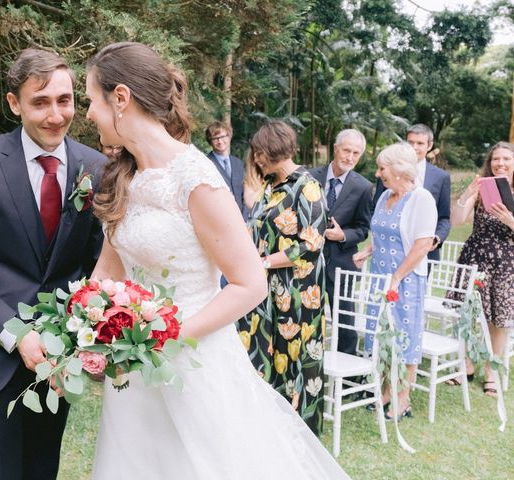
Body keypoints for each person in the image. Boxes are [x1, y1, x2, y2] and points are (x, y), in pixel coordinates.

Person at [84, 42, 349, 479]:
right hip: (132, 373)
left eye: (92, 99)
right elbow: (107, 272)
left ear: (121, 98)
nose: (89, 112)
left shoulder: (195, 177)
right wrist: (79, 331)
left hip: (192, 362)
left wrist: (166, 337)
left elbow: (250, 284)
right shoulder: (123, 175)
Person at [0, 48, 107, 480]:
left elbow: (97, 264)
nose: (54, 115)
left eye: (63, 100)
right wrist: (16, 334)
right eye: (40, 102)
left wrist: (84, 335)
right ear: (14, 103)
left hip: (59, 362)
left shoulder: (97, 167)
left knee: (43, 470)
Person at [235, 121, 328, 436]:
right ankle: (267, 430)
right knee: (263, 354)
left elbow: (311, 243)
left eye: (259, 153)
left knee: (294, 360)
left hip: (298, 292)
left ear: (273, 149)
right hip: (265, 290)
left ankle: (298, 433)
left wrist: (263, 262)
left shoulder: (308, 186)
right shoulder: (269, 185)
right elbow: (255, 227)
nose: (256, 159)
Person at [354, 143, 437, 420]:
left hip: (406, 280)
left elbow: (423, 244)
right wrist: (367, 252)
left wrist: (397, 277)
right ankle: (387, 391)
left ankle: (403, 399)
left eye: (382, 168)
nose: (378, 174)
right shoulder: (384, 196)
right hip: (380, 278)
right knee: (382, 336)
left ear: (400, 170)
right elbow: (380, 235)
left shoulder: (421, 199)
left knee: (404, 338)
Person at [449, 141, 514, 396]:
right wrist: (468, 194)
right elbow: (457, 221)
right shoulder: (484, 188)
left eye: (506, 159)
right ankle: (466, 365)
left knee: (496, 320)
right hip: (475, 256)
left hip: (505, 261)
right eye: (496, 159)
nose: (500, 163)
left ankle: (492, 372)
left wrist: (509, 220)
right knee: (468, 313)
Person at [310, 128, 373, 355]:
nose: (350, 157)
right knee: (308, 317)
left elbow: (363, 229)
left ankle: (349, 376)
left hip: (341, 261)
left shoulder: (363, 187)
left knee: (344, 318)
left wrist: (343, 235)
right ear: (336, 149)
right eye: (347, 150)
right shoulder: (309, 177)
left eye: (356, 153)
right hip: (308, 260)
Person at [373, 124, 450, 262]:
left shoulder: (441, 177)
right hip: (389, 251)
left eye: (420, 143)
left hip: (425, 253)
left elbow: (444, 217)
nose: (414, 147)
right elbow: (376, 210)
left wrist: (436, 238)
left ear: (429, 145)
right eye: (410, 142)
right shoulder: (387, 174)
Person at [205, 121, 248, 219]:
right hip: (219, 220)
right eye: (215, 138)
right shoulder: (206, 164)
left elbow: (245, 193)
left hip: (242, 220)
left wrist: (245, 219)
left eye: (223, 137)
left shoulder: (238, 163)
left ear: (229, 137)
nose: (220, 141)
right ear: (210, 141)